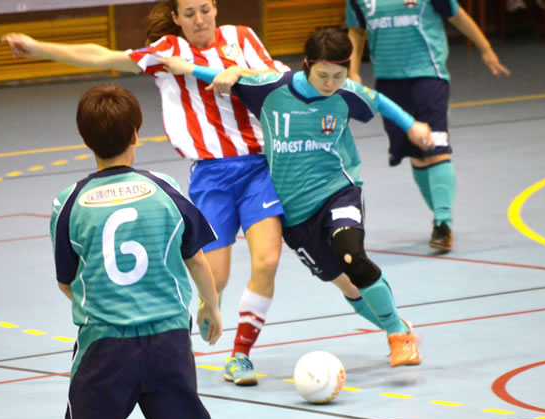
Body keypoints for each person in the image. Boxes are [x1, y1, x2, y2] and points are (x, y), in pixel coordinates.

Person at [3, 0, 290, 386]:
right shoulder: (168, 53)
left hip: (259, 167)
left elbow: (280, 79)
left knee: (267, 261)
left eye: (204, 9)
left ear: (215, 7)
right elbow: (102, 56)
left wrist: (239, 71)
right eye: (189, 13)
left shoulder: (242, 38)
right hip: (212, 175)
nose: (199, 19)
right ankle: (193, 323)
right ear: (176, 18)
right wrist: (38, 48)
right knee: (215, 278)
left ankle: (240, 356)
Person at [160, 27, 430, 366]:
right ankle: (399, 327)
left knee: (352, 256)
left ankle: (397, 335)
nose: (330, 83)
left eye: (338, 76)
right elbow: (226, 75)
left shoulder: (347, 93)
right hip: (297, 216)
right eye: (322, 75)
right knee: (349, 286)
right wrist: (188, 68)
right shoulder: (272, 88)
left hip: (338, 191)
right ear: (306, 65)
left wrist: (412, 126)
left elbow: (379, 102)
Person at [51, 84, 223, 419]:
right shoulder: (163, 188)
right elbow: (196, 259)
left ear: (85, 139)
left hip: (105, 348)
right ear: (135, 133)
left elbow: (67, 282)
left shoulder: (69, 203)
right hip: (168, 342)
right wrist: (211, 306)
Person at [346, 0, 511, 251]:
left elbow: (457, 15)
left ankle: (443, 223)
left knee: (434, 147)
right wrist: (353, 71)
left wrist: (485, 48)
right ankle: (439, 215)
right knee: (417, 155)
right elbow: (356, 31)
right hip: (388, 81)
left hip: (428, 75)